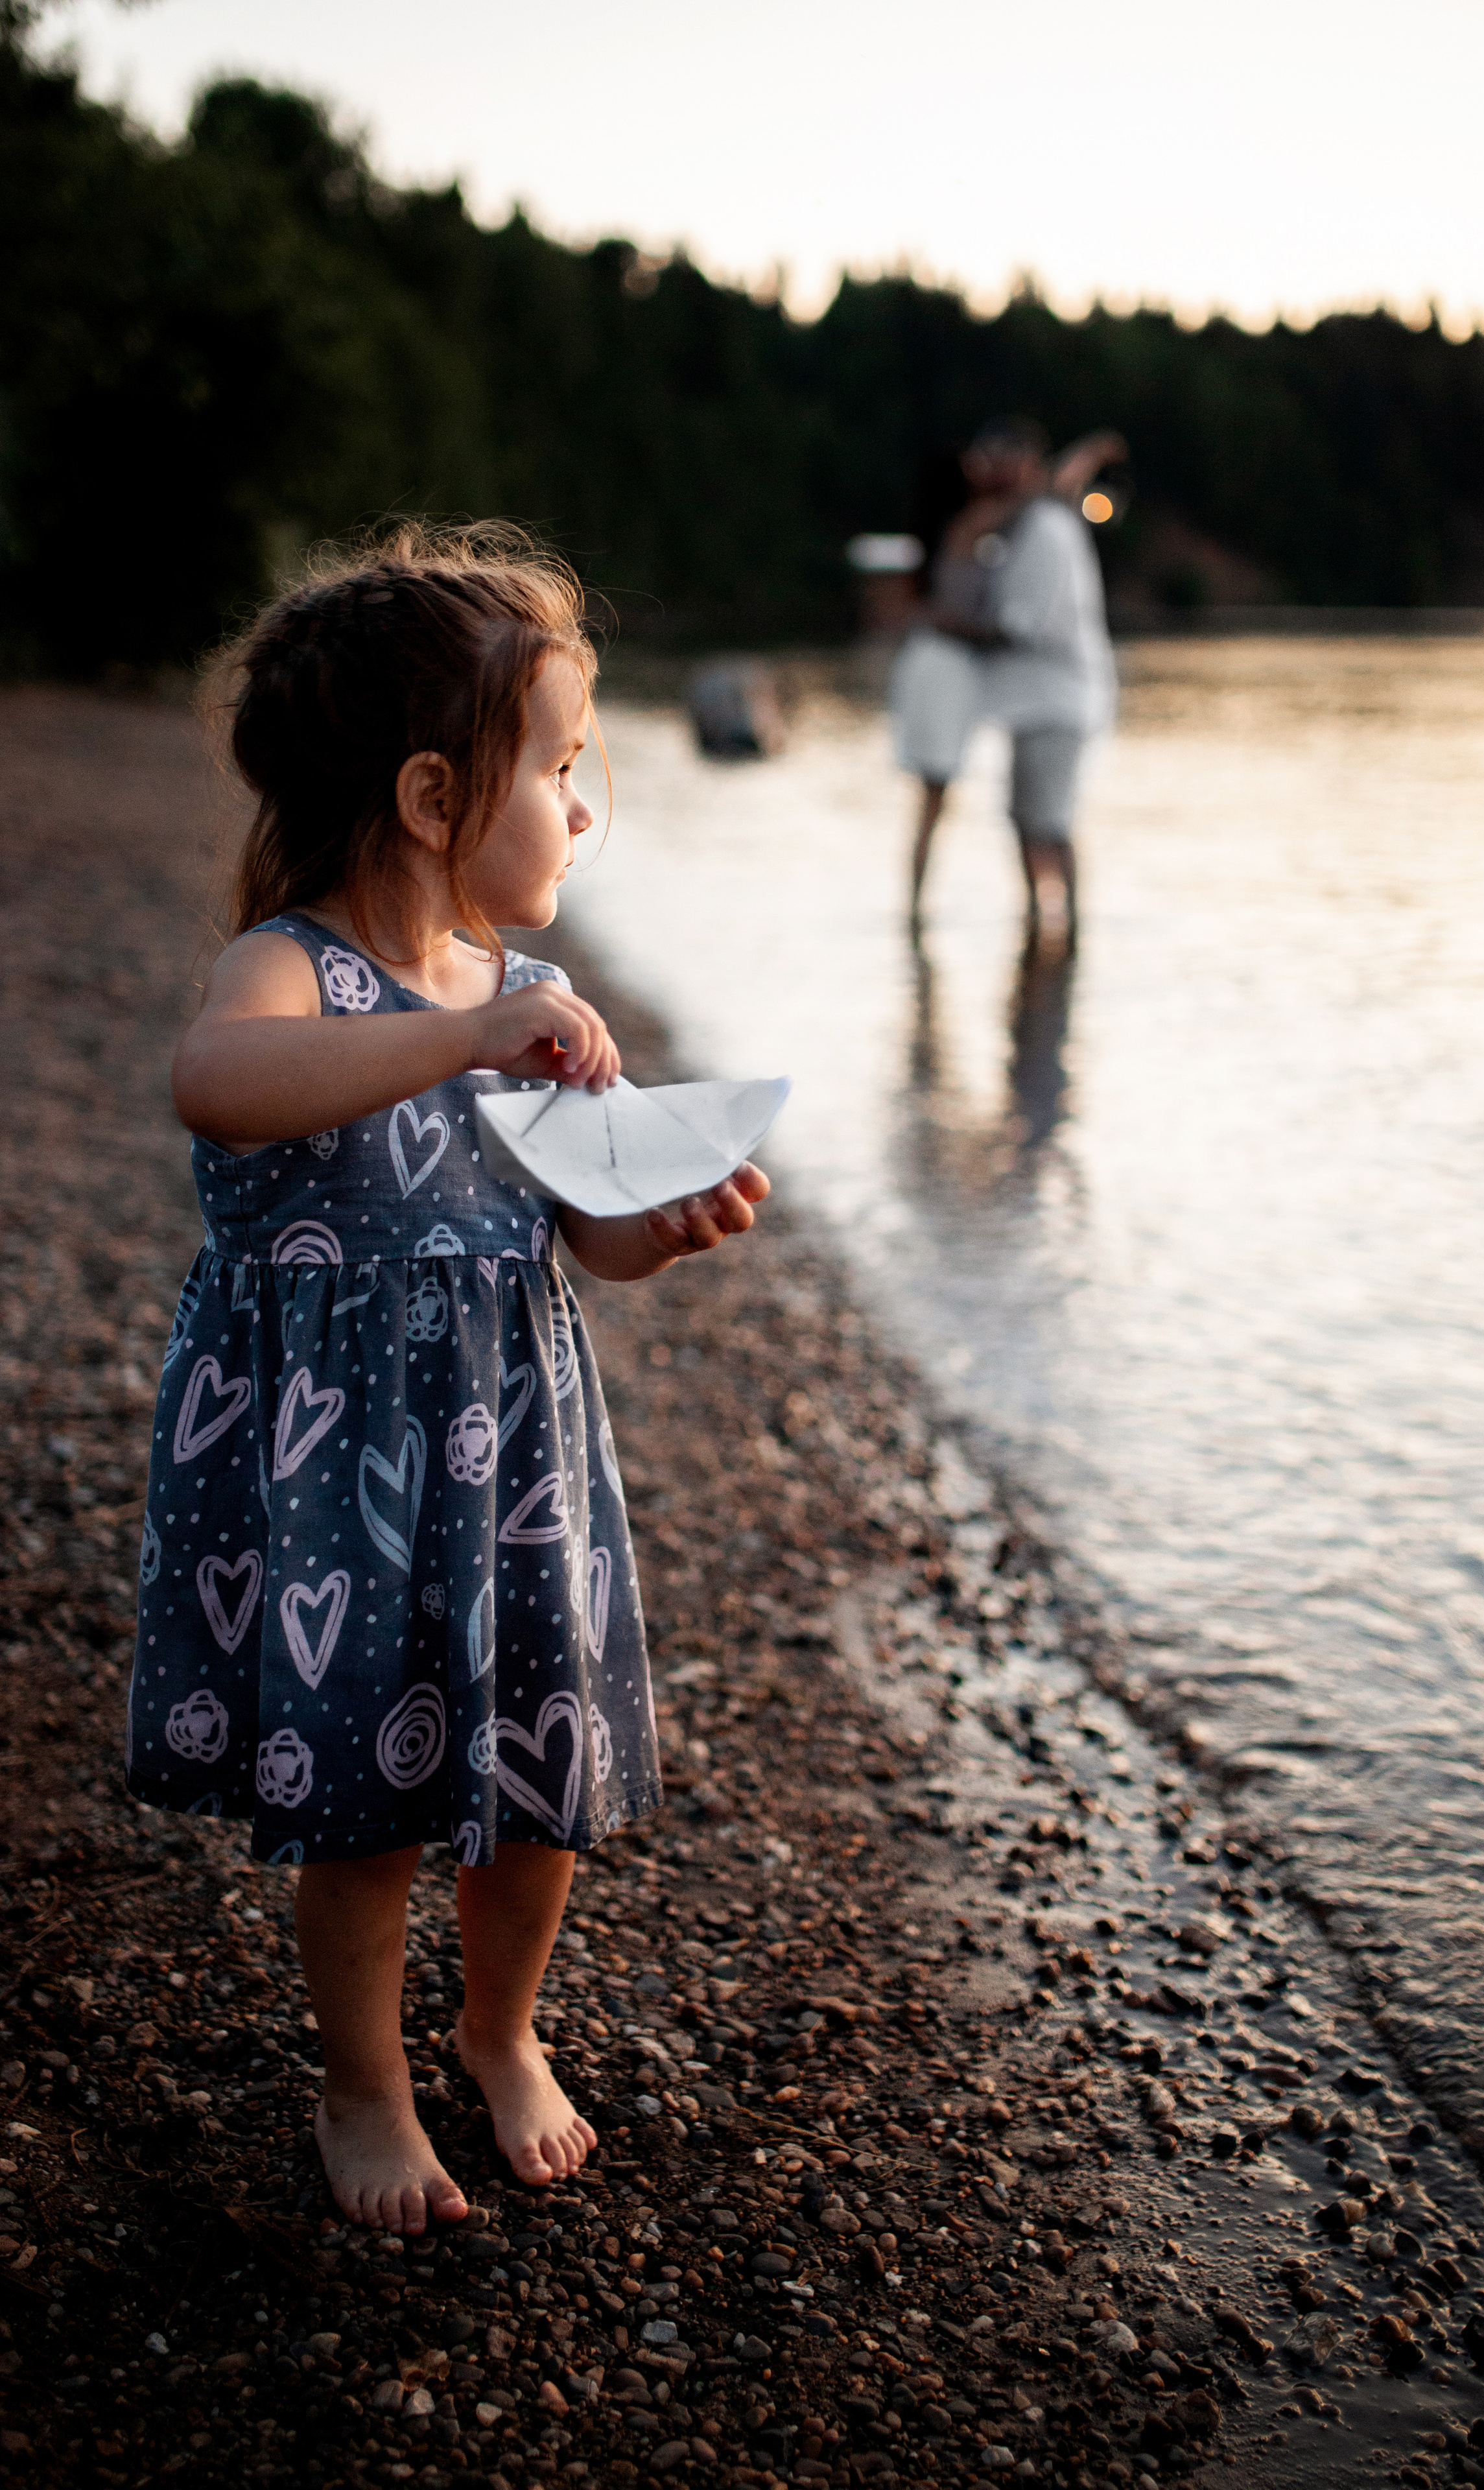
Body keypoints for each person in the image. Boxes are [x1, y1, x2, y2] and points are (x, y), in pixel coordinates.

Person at [126, 525, 770, 2234]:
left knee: (535, 1777)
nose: (579, 809)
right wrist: (461, 1038)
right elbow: (217, 1079)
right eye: (557, 769)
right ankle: (363, 2081)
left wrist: (661, 1227)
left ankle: (499, 2028)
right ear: (429, 799)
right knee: (367, 1802)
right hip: (335, 1464)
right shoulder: (295, 968)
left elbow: (580, 1234)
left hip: (513, 1452)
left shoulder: (531, 995)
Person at [900, 418, 1124, 941]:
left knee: (1047, 824)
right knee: (1029, 822)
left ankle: (1063, 934)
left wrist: (945, 624)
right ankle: (1046, 931)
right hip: (1034, 701)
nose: (990, 470)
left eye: (999, 459)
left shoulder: (1043, 528)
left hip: (1056, 701)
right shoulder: (1019, 523)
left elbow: (1024, 626)